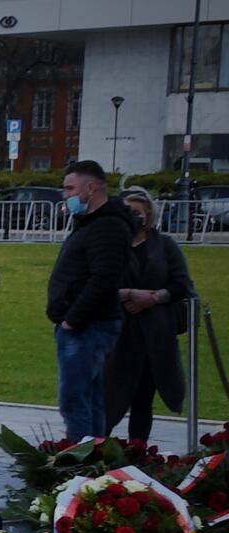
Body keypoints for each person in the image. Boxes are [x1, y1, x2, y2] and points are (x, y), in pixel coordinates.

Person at [47, 159, 138, 441]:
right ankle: (94, 458)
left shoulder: (107, 226)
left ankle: (82, 463)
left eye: (70, 189)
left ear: (91, 187)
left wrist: (73, 319)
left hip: (88, 326)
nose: (66, 196)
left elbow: (104, 278)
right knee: (91, 397)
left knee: (76, 400)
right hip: (85, 324)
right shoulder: (91, 223)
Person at [106, 185, 194, 441]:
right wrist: (131, 295)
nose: (132, 217)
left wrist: (153, 298)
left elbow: (181, 284)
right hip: (118, 335)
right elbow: (98, 285)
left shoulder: (164, 245)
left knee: (143, 399)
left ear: (148, 215)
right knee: (109, 399)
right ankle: (94, 456)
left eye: (137, 212)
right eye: (126, 212)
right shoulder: (111, 245)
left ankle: (138, 453)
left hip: (154, 336)